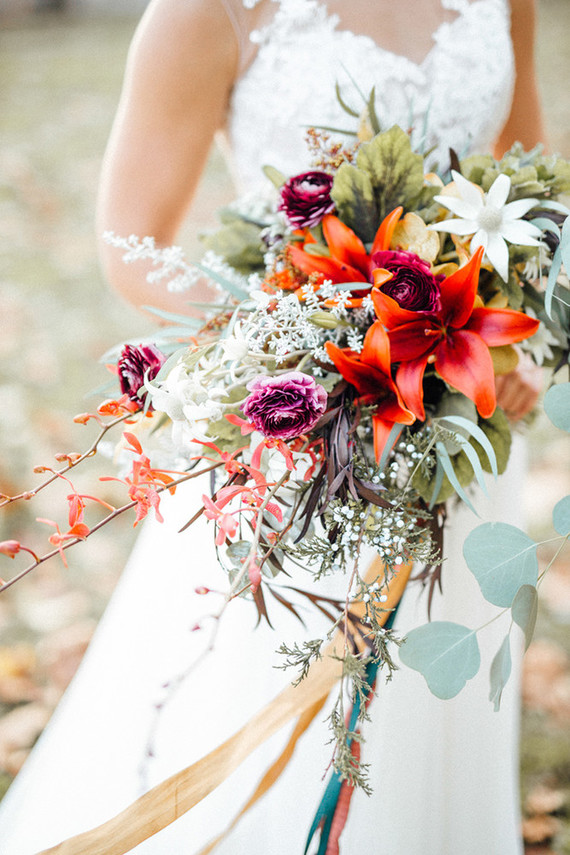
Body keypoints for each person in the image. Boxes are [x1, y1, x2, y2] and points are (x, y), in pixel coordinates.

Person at [0, 1, 546, 853]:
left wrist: (519, 338)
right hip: (300, 428)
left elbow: (529, 183)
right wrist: (311, 354)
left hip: (464, 407)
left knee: (433, 697)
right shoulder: (207, 13)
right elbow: (129, 241)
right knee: (265, 691)